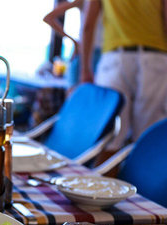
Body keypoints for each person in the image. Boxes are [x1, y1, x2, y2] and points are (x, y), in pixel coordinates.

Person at [81, 0, 167, 154]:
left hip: (115, 60)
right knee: (147, 138)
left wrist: (85, 70)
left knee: (109, 137)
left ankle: (104, 176)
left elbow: (88, 25)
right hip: (155, 59)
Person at [43, 0, 103, 90]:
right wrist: (74, 41)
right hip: (88, 55)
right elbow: (48, 18)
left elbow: (49, 18)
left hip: (101, 54)